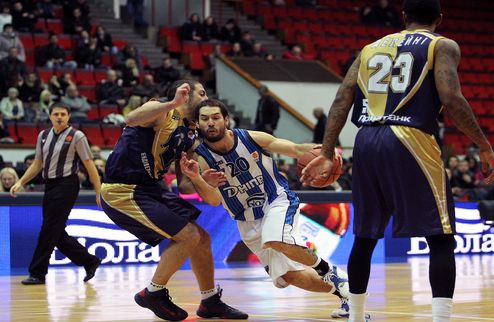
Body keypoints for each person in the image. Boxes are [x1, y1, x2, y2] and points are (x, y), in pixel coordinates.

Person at [300, 1, 494, 322]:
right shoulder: (441, 45)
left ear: (403, 17)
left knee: (364, 236)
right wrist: (484, 145)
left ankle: (356, 315)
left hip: (365, 139)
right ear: (439, 18)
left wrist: (326, 151)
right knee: (441, 236)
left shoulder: (369, 49)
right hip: (410, 136)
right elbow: (451, 97)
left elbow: (342, 98)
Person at [180, 98, 355, 319]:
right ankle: (348, 294)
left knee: (275, 240)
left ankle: (333, 275)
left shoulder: (249, 137)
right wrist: (199, 179)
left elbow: (294, 148)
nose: (211, 123)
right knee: (290, 276)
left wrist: (327, 153)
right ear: (197, 124)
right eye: (205, 119)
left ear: (226, 119)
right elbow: (214, 201)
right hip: (246, 220)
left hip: (275, 201)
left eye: (216, 117)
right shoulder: (203, 159)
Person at [99, 80, 248, 321]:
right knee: (188, 236)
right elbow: (131, 119)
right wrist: (172, 103)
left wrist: (200, 177)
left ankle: (210, 301)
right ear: (186, 94)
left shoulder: (190, 136)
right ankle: (153, 293)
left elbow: (185, 185)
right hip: (122, 189)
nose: (206, 96)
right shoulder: (161, 110)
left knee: (201, 239)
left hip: (149, 188)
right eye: (202, 92)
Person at [10, 102, 102, 285]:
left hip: (67, 184)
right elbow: (37, 163)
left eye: (63, 114)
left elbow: (89, 164)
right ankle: (89, 260)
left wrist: (99, 191)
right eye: (56, 114)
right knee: (55, 231)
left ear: (68, 116)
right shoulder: (43, 135)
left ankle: (37, 273)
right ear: (50, 116)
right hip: (50, 185)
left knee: (49, 229)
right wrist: (20, 182)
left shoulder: (77, 136)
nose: (59, 117)